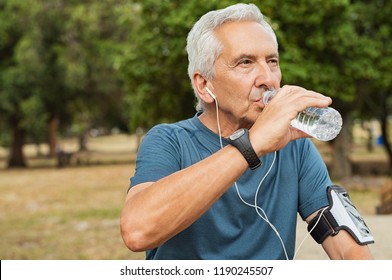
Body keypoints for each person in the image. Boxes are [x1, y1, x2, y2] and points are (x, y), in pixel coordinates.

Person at [120, 3, 374, 260]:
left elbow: (348, 250)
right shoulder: (169, 141)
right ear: (204, 85)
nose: (267, 78)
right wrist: (251, 145)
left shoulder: (294, 146)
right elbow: (137, 232)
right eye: (245, 62)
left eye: (272, 61)